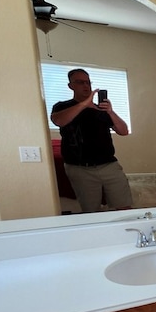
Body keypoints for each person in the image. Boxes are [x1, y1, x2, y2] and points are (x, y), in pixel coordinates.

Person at [51, 68, 132, 213]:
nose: (85, 86)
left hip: (109, 165)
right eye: (80, 82)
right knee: (90, 211)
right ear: (71, 86)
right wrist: (83, 104)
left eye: (88, 82)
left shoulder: (101, 110)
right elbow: (59, 120)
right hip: (80, 168)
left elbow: (123, 131)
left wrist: (110, 112)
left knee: (124, 206)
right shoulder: (62, 106)